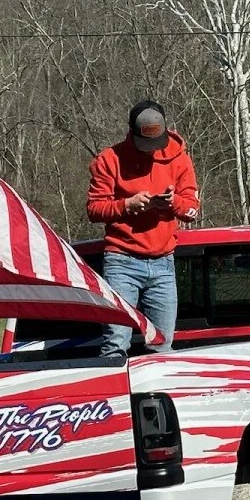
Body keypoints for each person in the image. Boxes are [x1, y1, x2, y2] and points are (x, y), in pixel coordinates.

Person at [87, 100, 199, 358]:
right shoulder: (109, 160)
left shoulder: (180, 159)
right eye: (144, 145)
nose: (150, 152)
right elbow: (94, 209)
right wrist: (127, 205)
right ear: (131, 134)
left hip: (163, 263)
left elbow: (191, 209)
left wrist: (174, 203)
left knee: (162, 346)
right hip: (121, 260)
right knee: (115, 343)